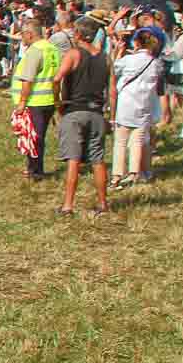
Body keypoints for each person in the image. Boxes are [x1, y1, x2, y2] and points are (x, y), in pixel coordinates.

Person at [50, 18, 111, 216]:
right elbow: (113, 90)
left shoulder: (74, 54)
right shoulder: (105, 57)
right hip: (97, 112)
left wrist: (57, 102)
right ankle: (103, 203)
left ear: (77, 34)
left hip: (75, 110)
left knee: (73, 159)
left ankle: (68, 205)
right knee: (98, 159)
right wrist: (112, 114)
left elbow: (57, 78)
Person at [109, 29, 164, 189]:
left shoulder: (129, 60)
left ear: (136, 42)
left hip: (126, 104)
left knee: (120, 141)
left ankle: (117, 176)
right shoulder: (155, 63)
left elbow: (114, 69)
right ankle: (134, 172)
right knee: (138, 140)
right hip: (144, 104)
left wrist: (118, 52)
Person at [12, 16, 60, 179]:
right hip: (49, 99)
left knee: (34, 137)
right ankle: (35, 167)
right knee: (40, 136)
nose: (21, 38)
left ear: (30, 34)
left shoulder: (35, 51)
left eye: (23, 35)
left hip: (35, 101)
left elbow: (28, 79)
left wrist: (22, 102)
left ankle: (35, 170)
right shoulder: (52, 49)